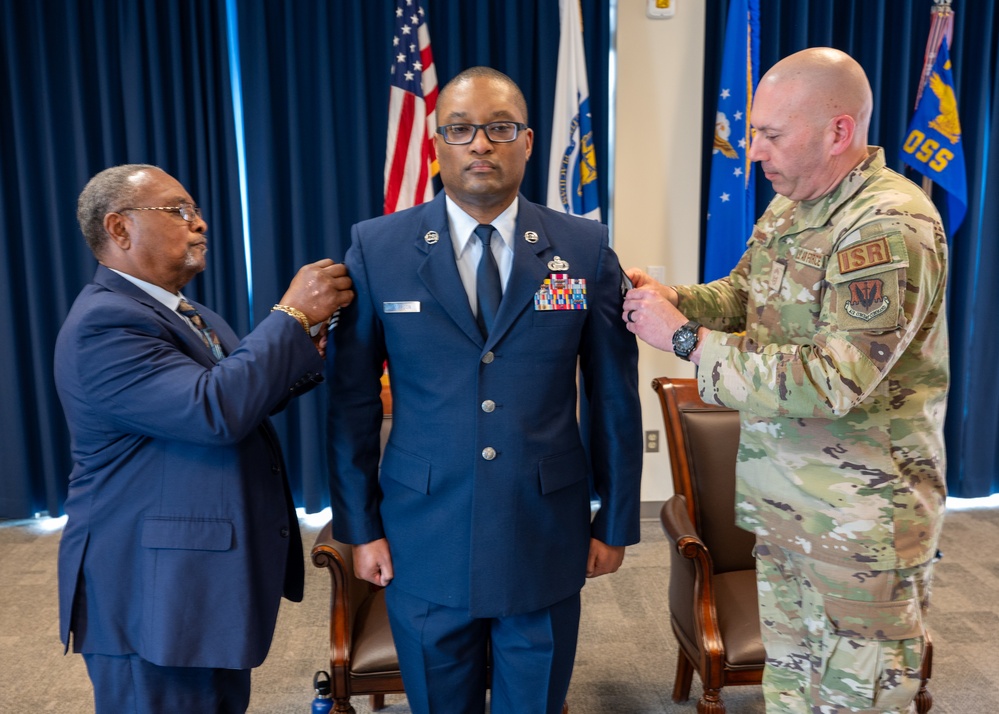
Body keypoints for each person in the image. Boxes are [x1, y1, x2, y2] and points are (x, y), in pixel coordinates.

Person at [623, 47, 948, 713]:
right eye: (751, 132)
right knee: (792, 693)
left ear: (838, 131)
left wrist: (682, 340)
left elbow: (833, 379)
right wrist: (675, 298)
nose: (750, 151)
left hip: (859, 530)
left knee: (857, 701)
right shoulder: (792, 205)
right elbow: (745, 296)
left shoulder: (885, 225)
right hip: (784, 510)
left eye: (769, 134)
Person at [326, 67, 642, 714]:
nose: (480, 145)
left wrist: (614, 519)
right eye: (461, 130)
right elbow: (352, 405)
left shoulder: (583, 249)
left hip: (544, 534)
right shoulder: (377, 248)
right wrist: (359, 528)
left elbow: (613, 397)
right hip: (423, 535)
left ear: (527, 142)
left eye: (498, 129)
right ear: (436, 145)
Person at [54, 164, 354, 713]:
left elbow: (244, 396)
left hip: (197, 582)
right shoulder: (105, 324)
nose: (201, 224)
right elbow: (212, 409)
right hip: (150, 595)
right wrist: (291, 314)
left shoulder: (183, 312)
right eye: (179, 212)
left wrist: (310, 337)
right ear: (119, 228)